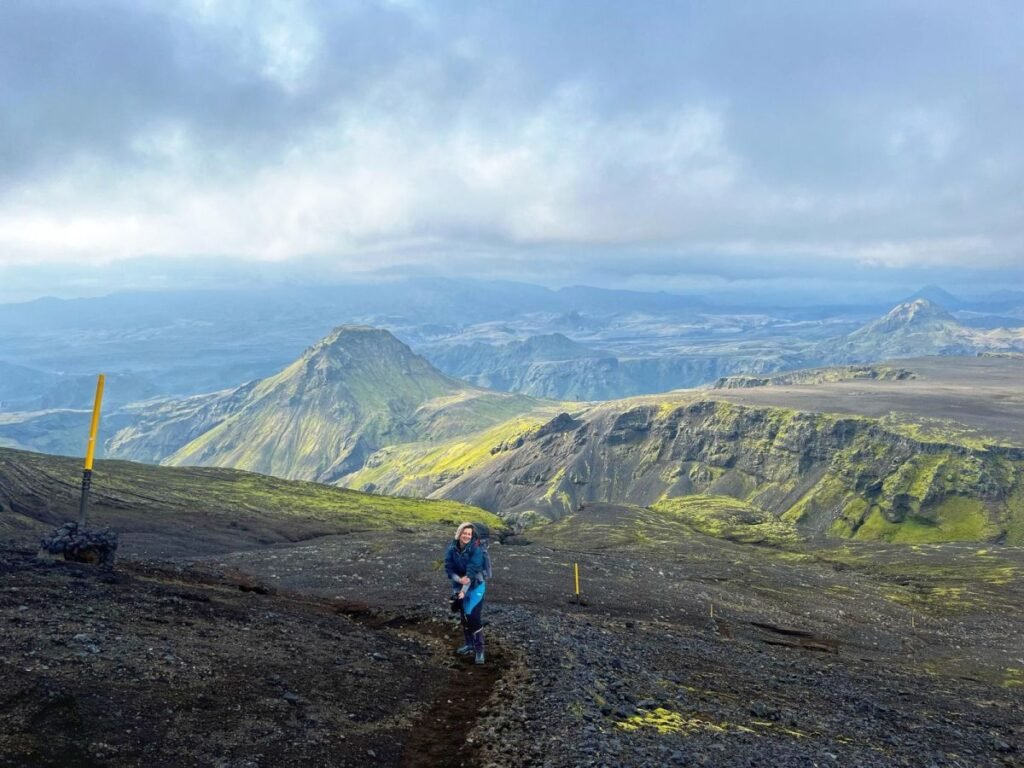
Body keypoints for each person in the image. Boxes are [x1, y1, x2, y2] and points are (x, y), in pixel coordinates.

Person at [444, 522, 486, 664]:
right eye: (465, 533)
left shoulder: (476, 550)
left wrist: (463, 590)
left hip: (475, 586)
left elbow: (472, 570)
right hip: (459, 585)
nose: (467, 536)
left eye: (469, 534)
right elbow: (449, 568)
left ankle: (479, 651)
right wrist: (458, 580)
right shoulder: (452, 549)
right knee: (464, 617)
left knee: (473, 617)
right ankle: (469, 645)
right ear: (459, 533)